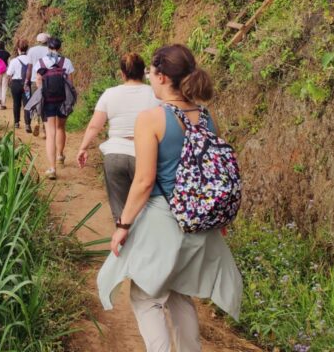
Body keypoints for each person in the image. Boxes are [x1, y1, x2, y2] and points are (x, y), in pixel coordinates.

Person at [97, 44, 242, 351]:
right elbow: (211, 171)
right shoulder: (204, 116)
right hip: (199, 221)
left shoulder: (151, 119)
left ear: (162, 76)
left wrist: (123, 224)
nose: (149, 75)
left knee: (145, 296)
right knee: (178, 292)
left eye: (151, 71)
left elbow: (145, 181)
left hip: (164, 219)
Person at [75, 53, 160, 221]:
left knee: (121, 212)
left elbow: (94, 125)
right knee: (145, 209)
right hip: (145, 155)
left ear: (122, 74)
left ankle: (123, 243)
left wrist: (83, 147)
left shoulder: (109, 94)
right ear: (144, 72)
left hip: (115, 155)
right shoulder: (155, 94)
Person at [35, 37, 74, 179]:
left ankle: (52, 169)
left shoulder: (41, 62)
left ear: (48, 47)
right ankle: (60, 155)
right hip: (63, 100)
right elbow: (70, 83)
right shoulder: (66, 62)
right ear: (60, 47)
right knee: (60, 128)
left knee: (50, 132)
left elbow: (38, 82)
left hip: (48, 101)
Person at [26, 33, 51, 137]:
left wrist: (26, 80)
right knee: (46, 103)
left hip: (34, 80)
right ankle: (45, 129)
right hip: (48, 80)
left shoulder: (31, 51)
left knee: (36, 102)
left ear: (37, 40)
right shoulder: (50, 51)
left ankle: (36, 120)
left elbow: (29, 68)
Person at [6, 40, 33, 131]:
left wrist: (8, 82)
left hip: (16, 84)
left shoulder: (14, 60)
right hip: (26, 84)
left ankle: (16, 123)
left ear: (18, 49)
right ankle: (27, 124)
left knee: (16, 103)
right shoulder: (30, 59)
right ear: (27, 49)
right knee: (27, 104)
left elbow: (9, 74)